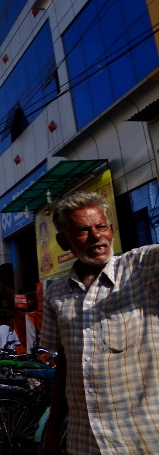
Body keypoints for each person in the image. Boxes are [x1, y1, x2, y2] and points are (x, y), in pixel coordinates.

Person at [40, 191, 159, 454]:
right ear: (63, 241)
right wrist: (51, 432)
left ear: (111, 229)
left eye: (101, 227)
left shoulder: (140, 268)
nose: (96, 237)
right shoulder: (55, 294)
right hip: (84, 441)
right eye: (83, 230)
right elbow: (65, 366)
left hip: (143, 438)